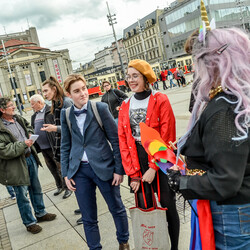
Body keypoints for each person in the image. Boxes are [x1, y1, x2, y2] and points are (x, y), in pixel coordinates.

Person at [166, 28, 250, 249]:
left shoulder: (225, 108)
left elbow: (226, 180)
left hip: (232, 212)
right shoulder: (236, 99)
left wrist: (181, 182)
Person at [60, 74, 130, 250]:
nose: (83, 93)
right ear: (69, 94)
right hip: (79, 172)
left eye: (84, 88)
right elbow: (65, 145)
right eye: (77, 91)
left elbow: (116, 141)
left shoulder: (100, 108)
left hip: (104, 168)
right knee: (88, 217)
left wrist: (119, 169)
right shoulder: (66, 114)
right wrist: (66, 174)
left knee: (117, 208)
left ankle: (123, 242)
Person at [118, 59, 180, 250]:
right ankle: (154, 245)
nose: (131, 80)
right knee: (146, 208)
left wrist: (153, 167)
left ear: (146, 77)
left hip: (160, 157)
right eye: (128, 77)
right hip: (137, 159)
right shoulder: (125, 105)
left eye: (135, 76)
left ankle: (174, 247)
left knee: (168, 206)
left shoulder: (160, 99)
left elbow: (167, 135)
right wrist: (134, 175)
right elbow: (124, 141)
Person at [0, 97, 56, 234]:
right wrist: (23, 144)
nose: (14, 107)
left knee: (36, 188)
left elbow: (28, 126)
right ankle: (30, 223)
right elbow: (3, 150)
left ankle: (41, 213)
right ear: (2, 110)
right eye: (10, 105)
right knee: (22, 195)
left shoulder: (18, 118)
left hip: (30, 158)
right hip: (16, 165)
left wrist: (30, 133)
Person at [41, 76, 73, 199]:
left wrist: (54, 128)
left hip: (72, 146)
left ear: (54, 89)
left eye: (45, 91)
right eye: (43, 91)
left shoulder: (66, 102)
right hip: (65, 145)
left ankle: (86, 209)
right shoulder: (56, 103)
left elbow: (73, 128)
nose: (44, 94)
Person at [30, 94, 67, 198]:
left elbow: (58, 126)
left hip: (53, 146)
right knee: (52, 168)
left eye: (33, 104)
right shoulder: (34, 115)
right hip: (43, 148)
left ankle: (67, 188)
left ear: (39, 103)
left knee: (61, 168)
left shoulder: (50, 111)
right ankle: (59, 186)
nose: (32, 106)